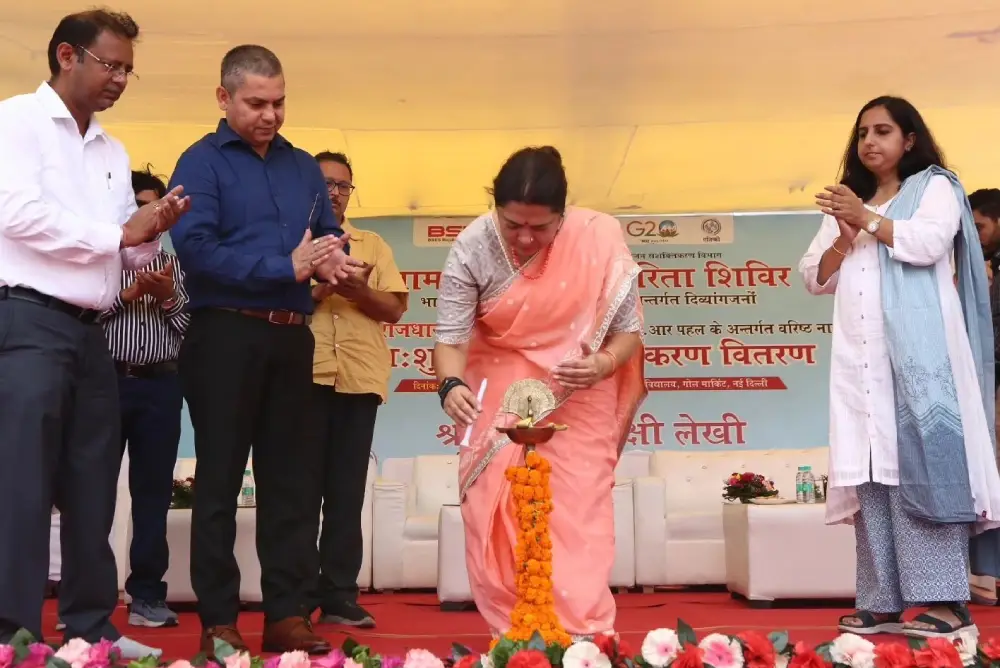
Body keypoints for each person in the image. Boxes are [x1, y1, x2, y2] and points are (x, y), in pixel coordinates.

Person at [0, 9, 189, 658]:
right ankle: (12, 629)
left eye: (129, 70)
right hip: (27, 319)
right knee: (22, 480)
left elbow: (123, 249)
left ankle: (89, 625)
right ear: (66, 55)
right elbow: (17, 215)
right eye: (111, 65)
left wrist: (151, 232)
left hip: (92, 332)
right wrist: (117, 234)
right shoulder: (16, 121)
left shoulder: (113, 150)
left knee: (92, 483)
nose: (121, 80)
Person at [169, 45, 358, 657]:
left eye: (279, 102)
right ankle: (219, 621)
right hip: (224, 334)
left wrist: (334, 258)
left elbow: (326, 235)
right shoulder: (200, 163)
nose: (270, 115)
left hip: (292, 335)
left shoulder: (302, 166)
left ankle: (287, 613)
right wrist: (284, 267)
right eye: (256, 103)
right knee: (219, 482)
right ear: (224, 98)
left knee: (292, 483)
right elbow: (195, 249)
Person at [798, 95, 1000, 638]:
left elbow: (928, 242)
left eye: (883, 131)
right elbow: (814, 277)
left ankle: (946, 602)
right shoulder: (850, 201)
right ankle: (881, 601)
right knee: (871, 475)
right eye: (863, 132)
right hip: (860, 368)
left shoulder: (934, 187)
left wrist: (865, 219)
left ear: (909, 140)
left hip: (920, 365)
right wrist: (844, 240)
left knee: (925, 468)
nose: (870, 141)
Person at [433, 146, 646, 638]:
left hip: (580, 393)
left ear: (563, 216)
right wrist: (450, 385)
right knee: (495, 508)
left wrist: (602, 364)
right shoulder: (472, 246)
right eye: (512, 225)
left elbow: (627, 333)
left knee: (578, 515)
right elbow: (451, 339)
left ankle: (584, 640)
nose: (525, 238)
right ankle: (516, 639)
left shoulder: (598, 236)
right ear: (495, 207)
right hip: (499, 392)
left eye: (541, 227)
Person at [308, 151, 408, 628]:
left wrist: (359, 291)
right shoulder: (292, 242)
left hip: (358, 379)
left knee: (346, 495)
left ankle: (339, 596)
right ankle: (293, 596)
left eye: (342, 185)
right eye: (325, 183)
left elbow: (395, 309)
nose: (334, 192)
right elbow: (270, 300)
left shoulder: (373, 244)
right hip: (300, 378)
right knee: (297, 494)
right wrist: (321, 286)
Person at [102, 167, 190, 626]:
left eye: (155, 207)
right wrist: (129, 293)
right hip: (105, 384)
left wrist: (168, 297)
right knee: (93, 493)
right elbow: (80, 319)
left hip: (161, 386)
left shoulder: (176, 264)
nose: (148, 214)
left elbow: (192, 330)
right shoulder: (100, 259)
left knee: (153, 495)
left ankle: (148, 597)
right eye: (138, 206)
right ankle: (90, 598)